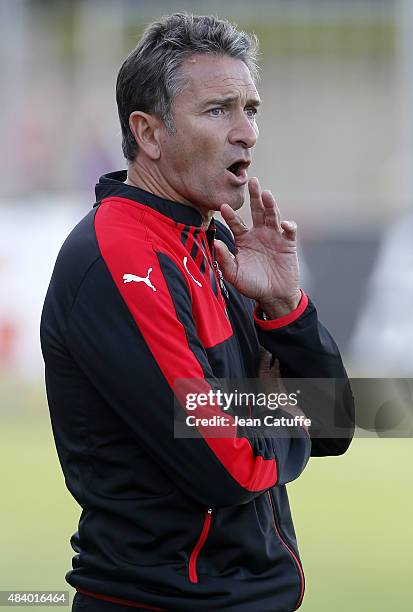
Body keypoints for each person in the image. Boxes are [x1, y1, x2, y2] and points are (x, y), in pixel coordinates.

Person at [40, 13, 354, 612]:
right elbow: (226, 463)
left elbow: (335, 423)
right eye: (218, 110)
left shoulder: (219, 242)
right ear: (150, 134)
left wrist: (286, 309)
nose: (247, 133)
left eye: (251, 109)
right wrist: (282, 409)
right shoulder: (119, 255)